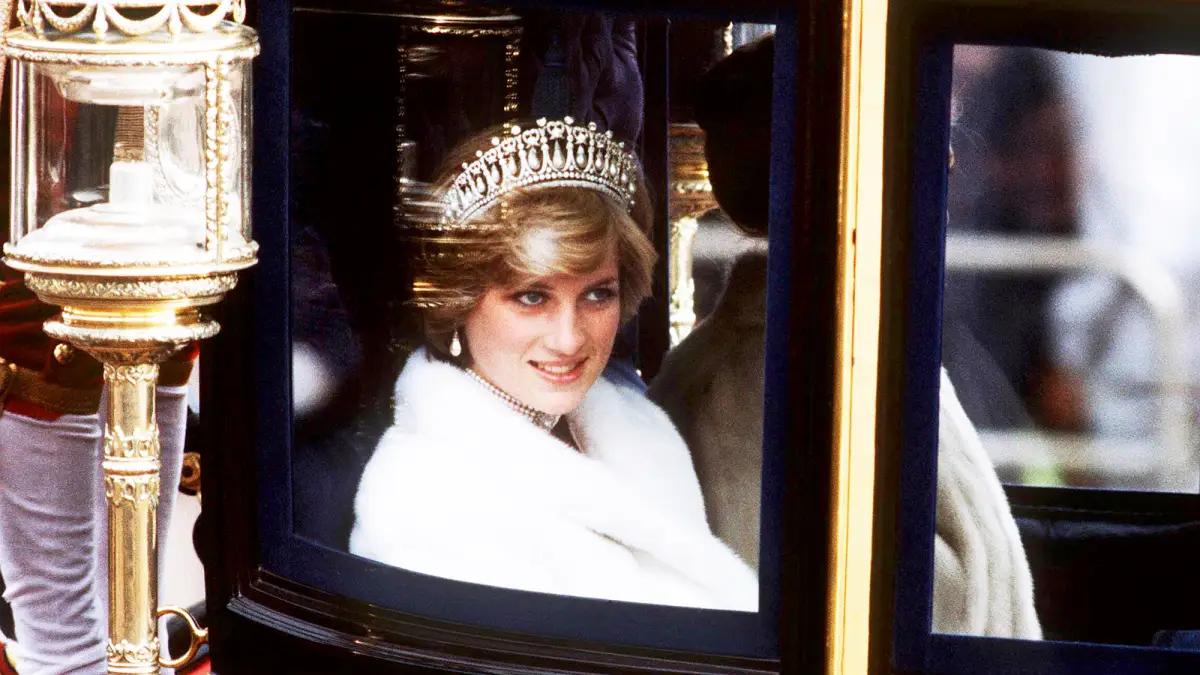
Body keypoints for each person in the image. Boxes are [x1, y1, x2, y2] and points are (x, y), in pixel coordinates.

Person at [649, 35, 1041, 637]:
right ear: (842, 168)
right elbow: (848, 618)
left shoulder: (856, 344)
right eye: (912, 139)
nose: (950, 165)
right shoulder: (770, 379)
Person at [349, 117, 758, 612]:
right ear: (458, 301)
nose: (568, 339)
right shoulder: (419, 502)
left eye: (596, 294)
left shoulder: (641, 429)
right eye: (531, 297)